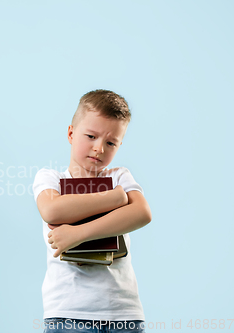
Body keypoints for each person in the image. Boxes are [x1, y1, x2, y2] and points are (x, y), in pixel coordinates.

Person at [32, 89, 152, 333]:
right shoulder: (50, 179)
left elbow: (141, 213)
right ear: (70, 133)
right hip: (68, 314)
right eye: (90, 136)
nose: (99, 148)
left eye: (110, 143)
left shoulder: (119, 176)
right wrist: (115, 198)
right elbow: (53, 211)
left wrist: (78, 234)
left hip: (123, 313)